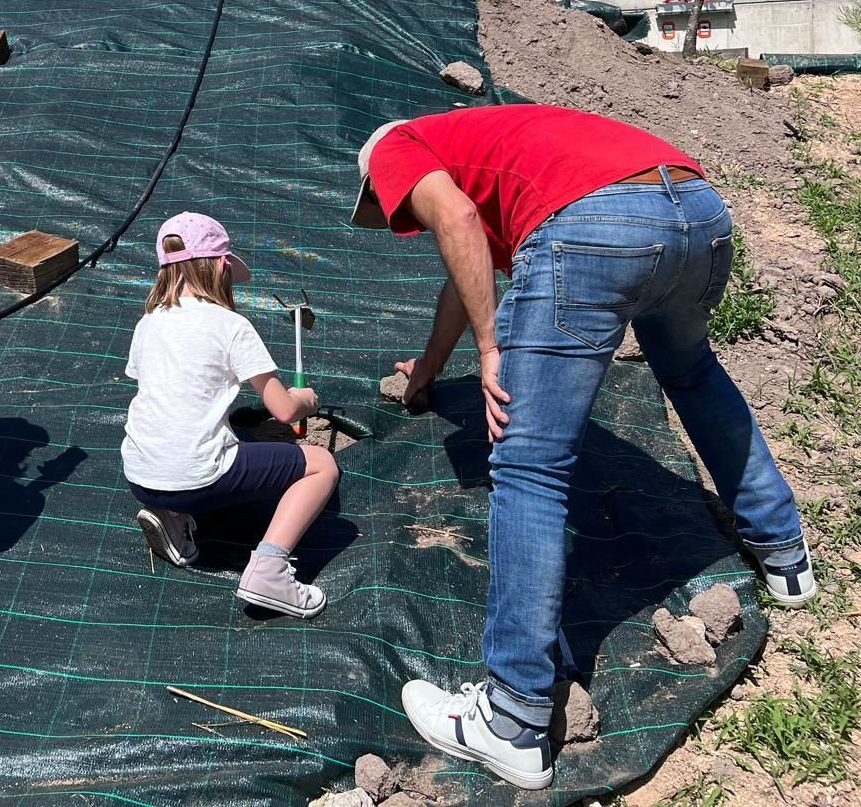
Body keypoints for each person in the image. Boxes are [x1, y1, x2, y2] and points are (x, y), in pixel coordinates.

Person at [349, 104, 814, 790]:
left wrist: (489, 348)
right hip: (695, 209)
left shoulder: (397, 142)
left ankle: (512, 717)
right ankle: (786, 558)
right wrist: (425, 375)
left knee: (528, 466)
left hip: (596, 225)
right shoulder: (505, 142)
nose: (405, 215)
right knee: (690, 371)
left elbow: (456, 221)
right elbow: (463, 268)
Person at [122, 212, 340, 618]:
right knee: (322, 465)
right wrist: (306, 399)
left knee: (217, 441)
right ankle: (269, 569)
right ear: (221, 266)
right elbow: (284, 409)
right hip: (197, 475)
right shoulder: (230, 325)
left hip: (140, 475)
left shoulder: (147, 324)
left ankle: (170, 518)